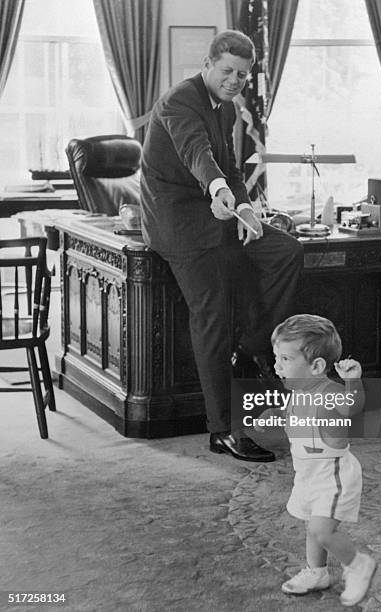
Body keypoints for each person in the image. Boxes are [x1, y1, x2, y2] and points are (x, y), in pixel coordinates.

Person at [140, 29, 303, 462]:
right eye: (228, 71)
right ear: (208, 64)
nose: (235, 80)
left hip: (222, 211)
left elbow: (230, 168)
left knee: (286, 251)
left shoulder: (228, 108)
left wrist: (247, 210)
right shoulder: (180, 99)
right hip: (178, 222)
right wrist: (216, 188)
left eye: (243, 75)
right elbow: (198, 153)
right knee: (212, 312)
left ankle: (250, 345)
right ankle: (222, 430)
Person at [255, 314, 376, 607]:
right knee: (312, 526)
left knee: (323, 530)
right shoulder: (297, 393)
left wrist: (353, 382)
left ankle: (358, 565)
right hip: (307, 474)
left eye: (285, 358)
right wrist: (273, 417)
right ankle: (317, 572)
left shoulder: (329, 392)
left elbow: (352, 410)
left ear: (317, 367)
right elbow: (292, 419)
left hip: (333, 474)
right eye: (276, 357)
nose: (277, 365)